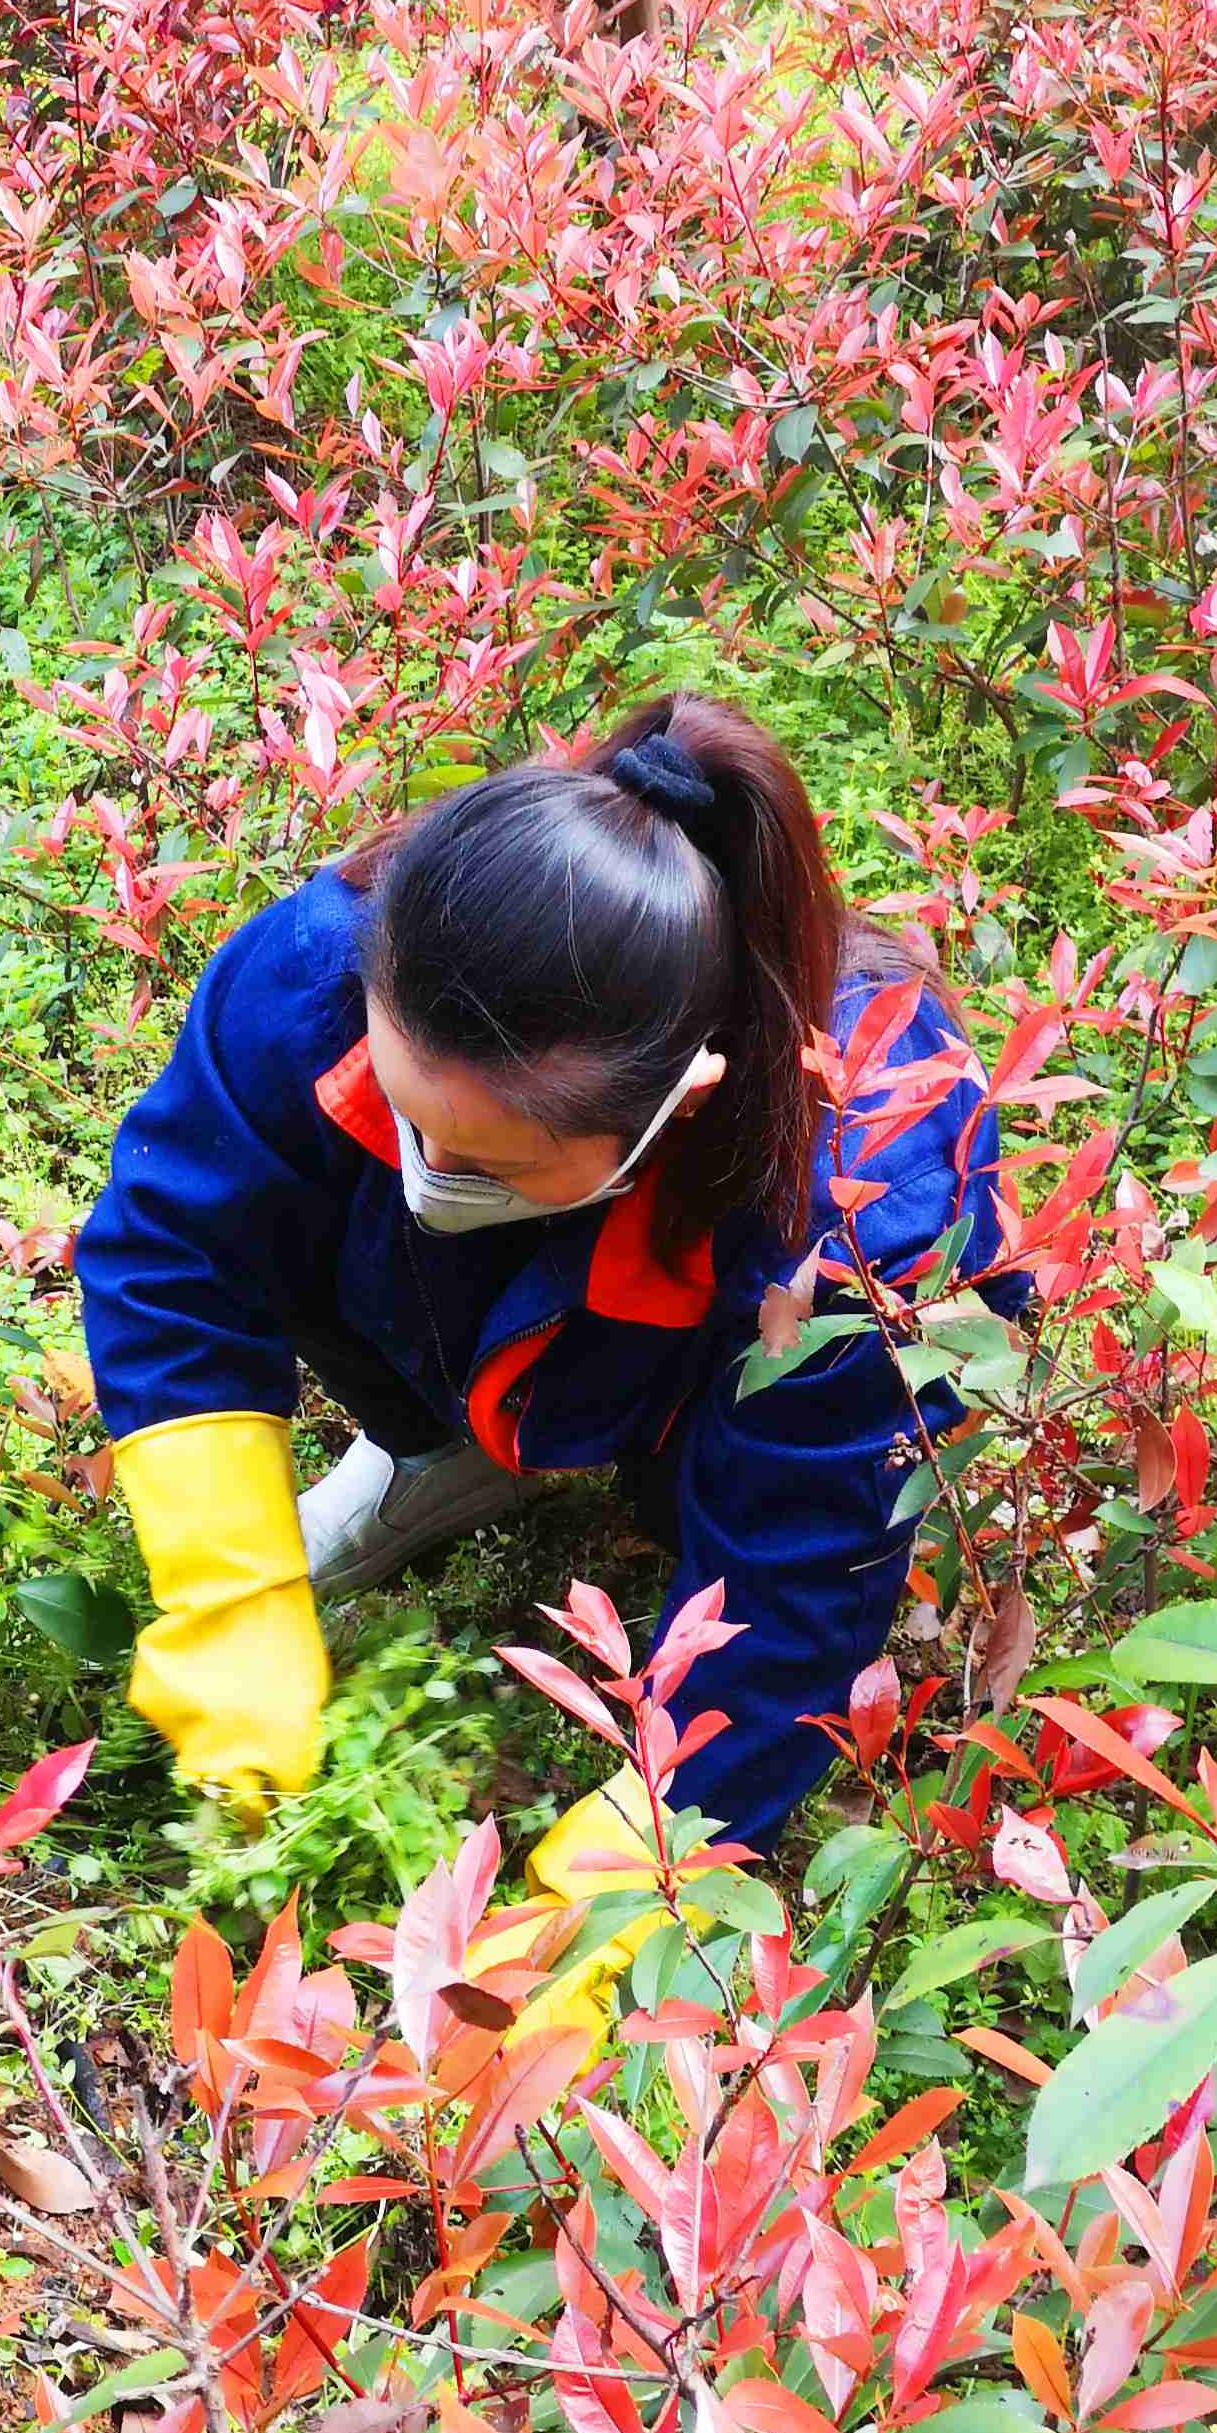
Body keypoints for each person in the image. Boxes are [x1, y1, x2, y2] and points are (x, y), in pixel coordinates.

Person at [75, 690, 1027, 1975]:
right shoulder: (323, 967)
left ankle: (646, 1459)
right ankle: (440, 1447)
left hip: (726, 1337)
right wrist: (228, 1588)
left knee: (746, 1502)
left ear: (678, 1101)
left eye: (481, 1156)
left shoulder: (870, 1211)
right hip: (554, 1253)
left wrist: (610, 1896)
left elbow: (799, 1590)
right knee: (309, 1182)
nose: (422, 1167)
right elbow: (174, 1245)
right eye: (404, 1110)